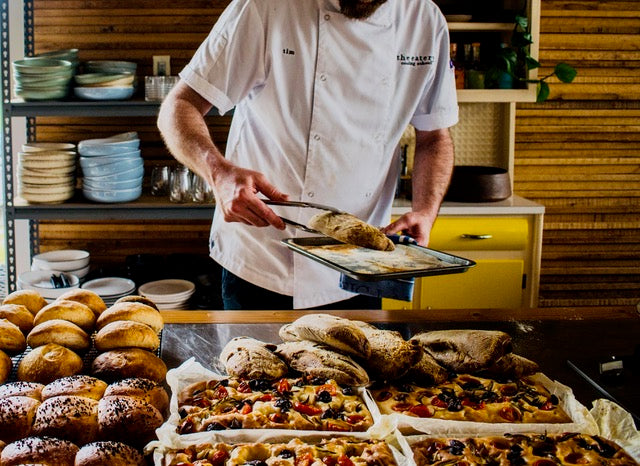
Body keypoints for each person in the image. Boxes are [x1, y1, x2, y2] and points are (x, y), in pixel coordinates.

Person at [157, 0, 458, 310]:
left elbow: (434, 135)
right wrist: (218, 173)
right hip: (263, 258)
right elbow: (179, 106)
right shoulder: (265, 8)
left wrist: (426, 209)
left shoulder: (425, 20)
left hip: (362, 263)